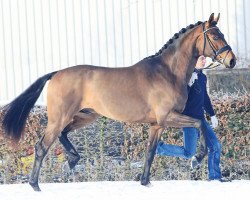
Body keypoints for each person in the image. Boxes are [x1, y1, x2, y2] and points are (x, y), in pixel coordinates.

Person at [156, 55, 227, 182]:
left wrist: (212, 114)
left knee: (215, 146)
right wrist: (188, 84)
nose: (204, 61)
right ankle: (159, 148)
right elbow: (178, 98)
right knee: (189, 152)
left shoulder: (203, 77)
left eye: (205, 58)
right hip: (188, 120)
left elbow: (204, 98)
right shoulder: (185, 76)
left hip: (201, 120)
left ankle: (215, 178)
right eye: (201, 59)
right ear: (194, 61)